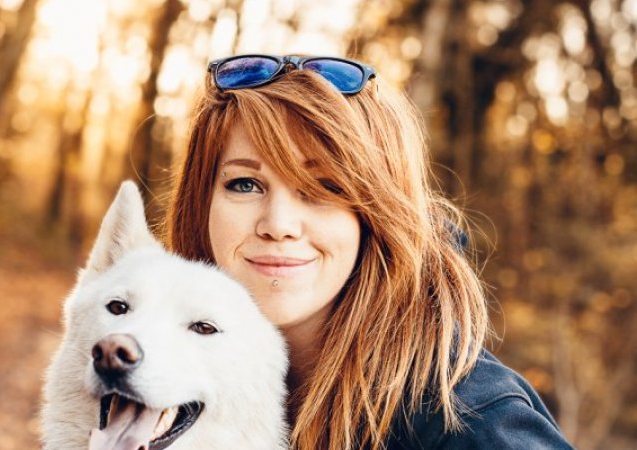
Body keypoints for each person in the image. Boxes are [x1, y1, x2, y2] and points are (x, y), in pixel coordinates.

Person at [166, 55, 573, 449]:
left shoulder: (466, 418)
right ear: (200, 204)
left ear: (375, 214)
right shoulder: (162, 377)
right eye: (244, 184)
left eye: (324, 188)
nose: (278, 225)